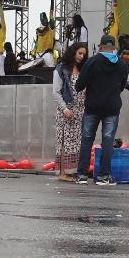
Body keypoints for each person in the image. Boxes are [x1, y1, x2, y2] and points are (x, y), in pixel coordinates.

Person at [75, 34, 128, 186]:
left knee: (86, 140)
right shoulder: (122, 65)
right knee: (108, 141)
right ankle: (104, 176)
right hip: (112, 108)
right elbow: (122, 86)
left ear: (100, 46)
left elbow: (79, 85)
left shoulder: (92, 61)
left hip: (92, 106)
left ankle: (82, 175)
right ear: (114, 47)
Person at [54, 41, 88, 181]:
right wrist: (64, 108)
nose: (81, 57)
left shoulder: (82, 69)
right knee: (63, 141)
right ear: (73, 52)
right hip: (66, 110)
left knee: (75, 143)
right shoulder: (61, 68)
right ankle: (62, 173)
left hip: (79, 111)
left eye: (83, 55)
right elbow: (56, 92)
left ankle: (70, 172)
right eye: (79, 53)